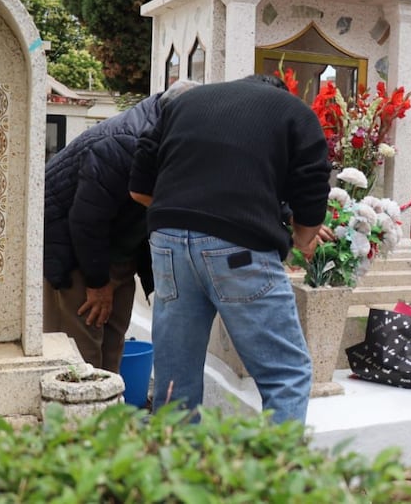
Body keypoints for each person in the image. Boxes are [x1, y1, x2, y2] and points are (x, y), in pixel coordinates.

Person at [128, 74, 330, 424]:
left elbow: (139, 185)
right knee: (287, 373)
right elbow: (312, 187)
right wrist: (302, 239)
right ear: (279, 94)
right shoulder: (293, 111)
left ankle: (171, 470)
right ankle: (275, 473)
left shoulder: (185, 102)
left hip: (167, 242)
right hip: (240, 248)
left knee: (176, 375)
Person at [43, 79, 199, 371]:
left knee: (112, 345)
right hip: (75, 252)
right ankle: (79, 416)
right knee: (81, 352)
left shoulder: (169, 130)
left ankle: (110, 413)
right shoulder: (124, 142)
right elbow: (86, 220)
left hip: (118, 251)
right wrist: (98, 283)